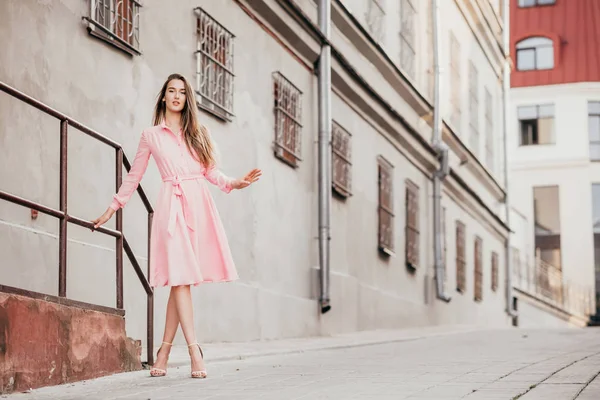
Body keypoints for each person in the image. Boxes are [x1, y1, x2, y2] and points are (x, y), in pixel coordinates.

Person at [91, 73, 261, 379]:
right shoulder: (150, 136)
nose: (176, 96)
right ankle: (195, 350)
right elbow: (135, 176)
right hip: (172, 208)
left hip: (198, 206)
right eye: (171, 91)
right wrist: (112, 207)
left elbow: (211, 172)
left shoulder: (198, 132)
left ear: (187, 99)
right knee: (181, 279)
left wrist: (235, 183)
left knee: (180, 282)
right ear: (163, 97)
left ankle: (164, 352)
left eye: (182, 92)